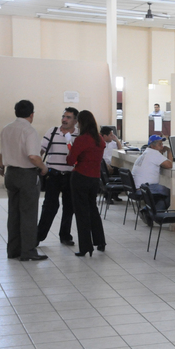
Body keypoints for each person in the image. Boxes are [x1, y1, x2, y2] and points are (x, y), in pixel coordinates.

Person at [0, 100, 49, 261]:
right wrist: (43, 167)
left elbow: (2, 153)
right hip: (26, 175)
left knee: (14, 213)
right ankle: (28, 251)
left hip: (11, 174)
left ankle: (13, 250)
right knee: (28, 214)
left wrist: (1, 167)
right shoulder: (29, 131)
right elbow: (33, 156)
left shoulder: (6, 129)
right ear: (32, 114)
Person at [37, 107, 79, 246]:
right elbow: (41, 150)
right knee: (49, 206)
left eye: (68, 117)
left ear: (75, 121)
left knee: (69, 207)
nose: (64, 119)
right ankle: (38, 236)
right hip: (53, 175)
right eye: (63, 116)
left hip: (70, 176)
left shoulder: (79, 135)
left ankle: (65, 235)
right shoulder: (52, 131)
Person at [66, 110, 106, 257]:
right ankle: (100, 241)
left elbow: (71, 160)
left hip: (80, 177)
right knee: (93, 209)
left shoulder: (81, 139)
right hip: (95, 178)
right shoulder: (100, 139)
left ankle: (85, 246)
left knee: (81, 212)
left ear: (81, 123)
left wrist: (69, 149)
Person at [132, 135, 172, 212]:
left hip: (138, 187)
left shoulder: (147, 152)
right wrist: (169, 151)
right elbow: (169, 165)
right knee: (170, 193)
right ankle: (151, 214)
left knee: (162, 192)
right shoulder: (154, 154)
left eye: (162, 144)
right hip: (145, 187)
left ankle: (146, 211)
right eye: (160, 144)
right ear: (152, 146)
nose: (162, 146)